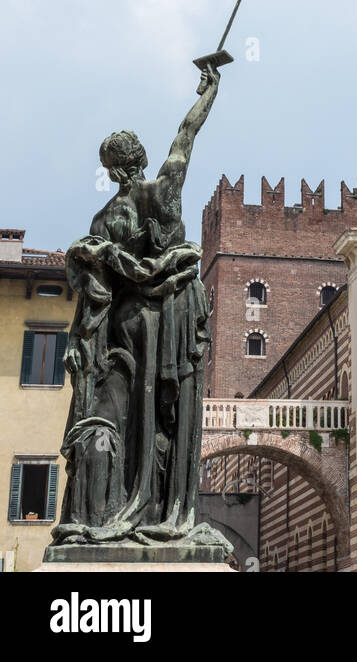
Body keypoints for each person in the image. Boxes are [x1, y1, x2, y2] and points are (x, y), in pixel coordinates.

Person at [51, 66, 230, 551]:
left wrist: (80, 342)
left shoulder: (104, 218)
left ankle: (129, 506)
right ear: (142, 159)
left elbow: (96, 295)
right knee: (171, 416)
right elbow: (186, 133)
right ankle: (171, 512)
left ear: (111, 171)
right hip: (174, 312)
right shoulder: (165, 188)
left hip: (130, 325)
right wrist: (210, 90)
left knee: (133, 415)